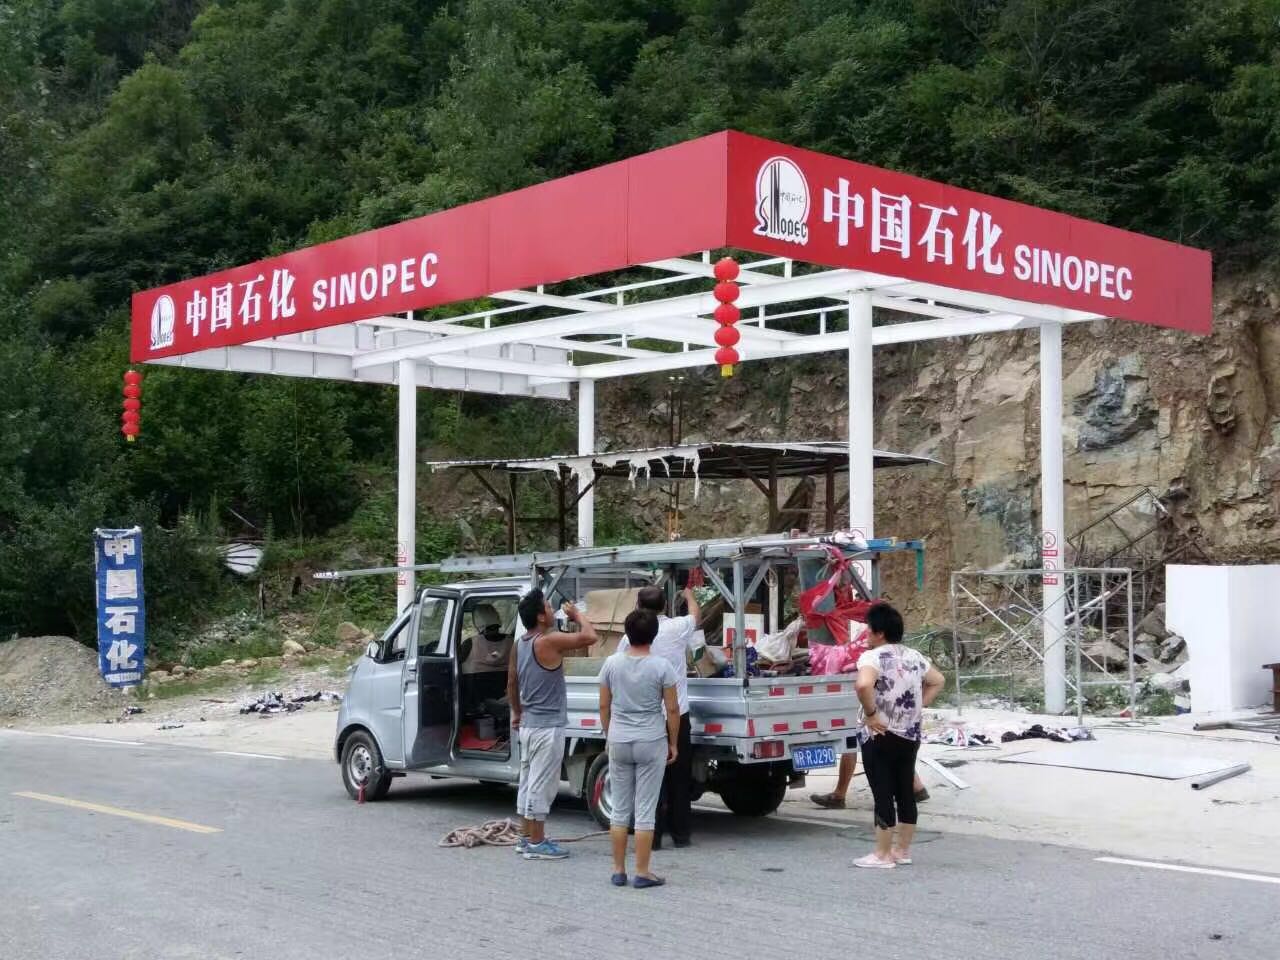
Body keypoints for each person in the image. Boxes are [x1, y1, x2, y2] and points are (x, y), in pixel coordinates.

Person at [851, 602, 946, 869]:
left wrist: (871, 714)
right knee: (905, 790)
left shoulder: (872, 657)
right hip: (910, 733)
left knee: (882, 791)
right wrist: (917, 706)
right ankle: (901, 850)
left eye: (869, 628)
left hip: (879, 734)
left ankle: (882, 854)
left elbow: (863, 685)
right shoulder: (914, 656)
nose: (866, 633)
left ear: (879, 632)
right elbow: (938, 680)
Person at [507, 588, 597, 861]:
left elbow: (511, 682)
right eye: (548, 607)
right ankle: (537, 842)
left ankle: (525, 837)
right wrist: (577, 614)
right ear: (540, 616)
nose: (551, 610)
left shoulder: (520, 644)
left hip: (529, 724)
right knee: (542, 784)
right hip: (547, 727)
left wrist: (517, 712)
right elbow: (590, 637)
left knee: (527, 781)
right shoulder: (547, 640)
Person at [599, 608, 680, 888]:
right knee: (645, 809)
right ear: (654, 635)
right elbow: (672, 709)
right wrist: (673, 742)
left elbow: (604, 705)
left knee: (620, 809)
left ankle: (618, 870)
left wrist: (609, 734)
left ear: (627, 633)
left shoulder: (611, 663)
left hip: (619, 739)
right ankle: (642, 872)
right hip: (651, 740)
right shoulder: (662, 666)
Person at [618, 584, 700, 848]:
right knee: (679, 778)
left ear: (637, 607)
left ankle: (651, 837)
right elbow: (695, 615)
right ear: (665, 606)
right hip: (677, 715)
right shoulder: (677, 628)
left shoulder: (628, 639)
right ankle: (681, 835)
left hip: (646, 717)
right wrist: (689, 595)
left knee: (649, 780)